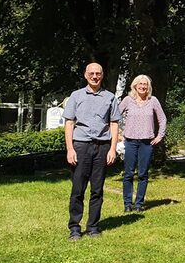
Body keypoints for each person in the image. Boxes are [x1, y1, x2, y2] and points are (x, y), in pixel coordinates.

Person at [63, 62, 121, 241]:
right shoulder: (76, 96)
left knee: (97, 190)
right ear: (85, 75)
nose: (95, 76)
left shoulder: (110, 97)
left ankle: (93, 227)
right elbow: (69, 123)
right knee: (78, 189)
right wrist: (70, 149)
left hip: (102, 147)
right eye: (92, 73)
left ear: (102, 75)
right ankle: (74, 227)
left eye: (98, 73)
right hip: (80, 145)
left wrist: (112, 148)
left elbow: (114, 123)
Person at [118, 74, 167, 213]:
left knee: (143, 174)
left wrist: (159, 136)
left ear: (149, 87)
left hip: (147, 143)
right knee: (128, 174)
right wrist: (118, 134)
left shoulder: (153, 101)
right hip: (130, 142)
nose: (143, 86)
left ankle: (139, 203)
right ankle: (127, 204)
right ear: (135, 85)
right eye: (140, 84)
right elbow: (114, 116)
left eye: (145, 84)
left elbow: (162, 119)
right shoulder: (127, 100)